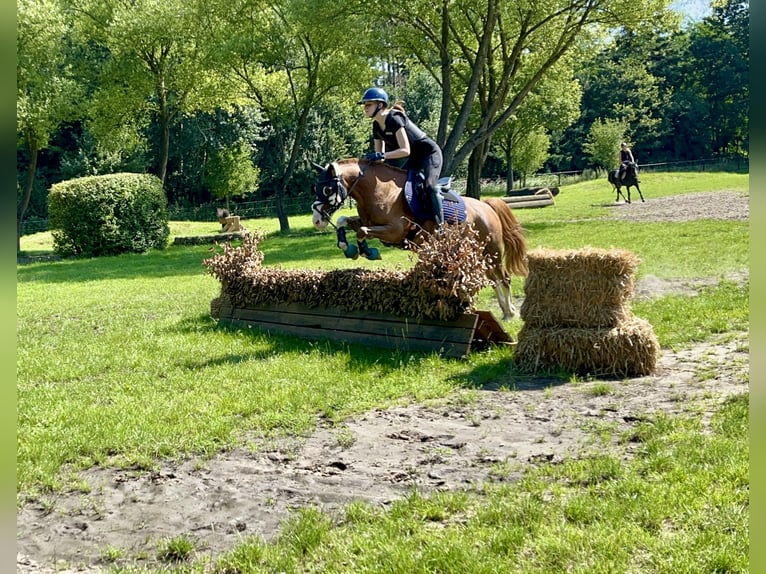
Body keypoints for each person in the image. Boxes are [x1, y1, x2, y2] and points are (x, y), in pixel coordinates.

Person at [358, 87, 445, 228]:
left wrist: (382, 155)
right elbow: (380, 159)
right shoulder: (376, 126)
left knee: (430, 186)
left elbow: (405, 150)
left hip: (429, 154)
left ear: (380, 105)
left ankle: (441, 226)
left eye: (368, 104)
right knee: (399, 186)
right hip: (416, 157)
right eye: (365, 105)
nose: (365, 108)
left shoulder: (395, 118)